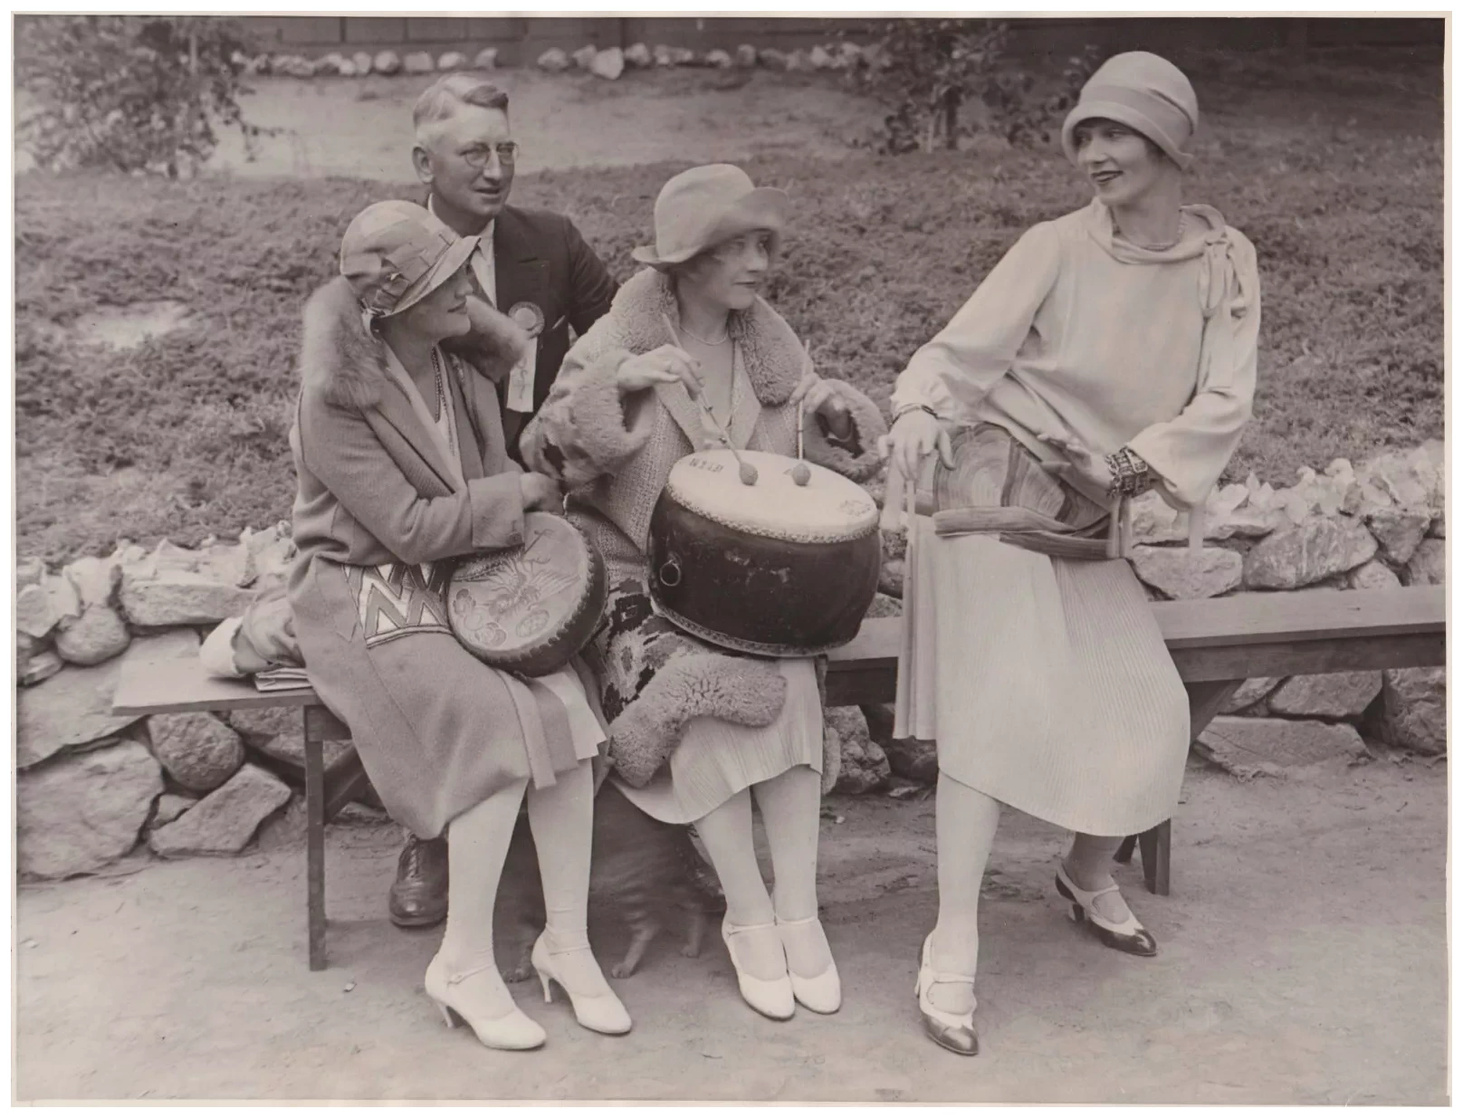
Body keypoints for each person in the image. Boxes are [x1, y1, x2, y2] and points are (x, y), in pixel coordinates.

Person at [884, 52, 1260, 1055]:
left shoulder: (1225, 262)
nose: (1091, 152)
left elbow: (1222, 401)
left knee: (1154, 710)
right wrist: (918, 412)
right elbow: (949, 356)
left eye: (1114, 132)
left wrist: (1124, 470)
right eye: (1080, 135)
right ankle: (950, 940)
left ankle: (1084, 870)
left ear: (1168, 140)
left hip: (1099, 498)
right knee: (995, 700)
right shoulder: (1051, 246)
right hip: (988, 488)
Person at [519, 164, 888, 1020]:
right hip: (633, 583)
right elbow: (549, 454)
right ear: (683, 261)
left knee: (788, 677)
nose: (758, 263)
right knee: (708, 684)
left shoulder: (774, 345)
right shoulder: (613, 341)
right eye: (735, 247)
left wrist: (834, 419)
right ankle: (748, 914)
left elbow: (805, 469)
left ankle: (798, 911)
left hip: (753, 588)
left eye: (764, 243)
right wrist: (623, 388)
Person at [289, 199, 630, 1049]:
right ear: (385, 304)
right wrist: (508, 498)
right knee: (493, 721)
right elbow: (402, 528)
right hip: (360, 591)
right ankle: (463, 964)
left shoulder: (461, 367)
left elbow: (478, 504)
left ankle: (566, 943)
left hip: (458, 574)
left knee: (572, 711)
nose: (466, 285)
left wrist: (520, 496)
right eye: (442, 276)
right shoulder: (333, 397)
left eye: (460, 268)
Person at [390, 71, 620, 931]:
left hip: (543, 497)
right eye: (472, 152)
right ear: (424, 160)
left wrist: (574, 418)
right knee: (430, 645)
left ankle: (637, 847)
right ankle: (430, 833)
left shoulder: (550, 240)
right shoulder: (387, 252)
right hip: (431, 506)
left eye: (506, 150)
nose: (495, 169)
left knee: (600, 616)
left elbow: (619, 335)